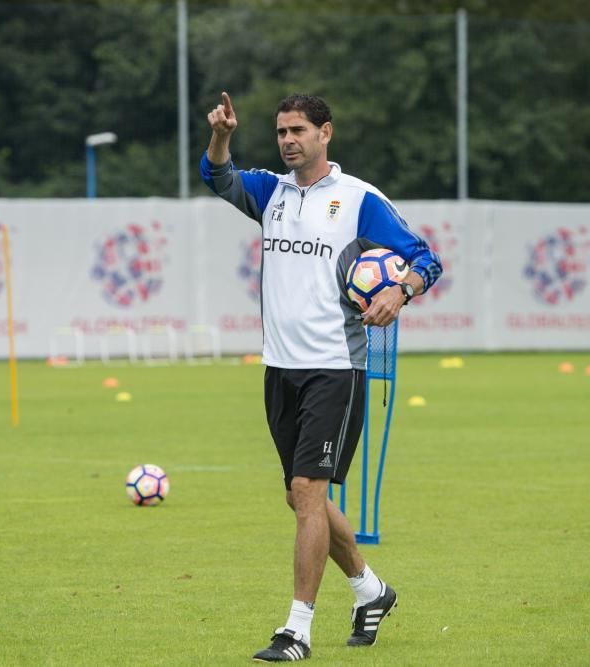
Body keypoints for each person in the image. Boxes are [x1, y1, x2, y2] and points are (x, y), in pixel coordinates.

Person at [200, 92, 442, 661]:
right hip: (279, 369)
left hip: (337, 369)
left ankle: (296, 630)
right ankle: (369, 589)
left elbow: (426, 257)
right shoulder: (269, 191)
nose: (288, 140)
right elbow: (216, 175)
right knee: (299, 496)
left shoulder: (360, 199)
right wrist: (221, 136)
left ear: (325, 133)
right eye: (281, 131)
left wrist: (399, 289)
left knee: (310, 492)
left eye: (299, 130)